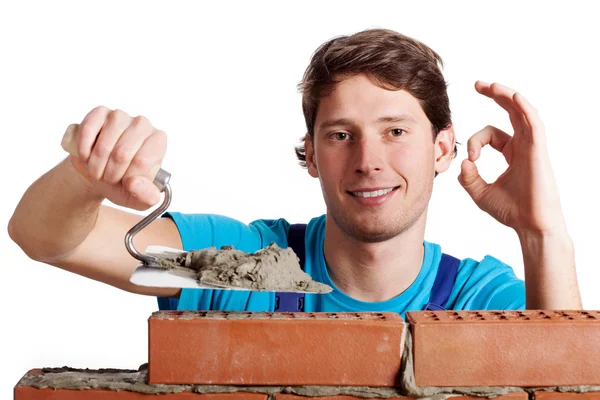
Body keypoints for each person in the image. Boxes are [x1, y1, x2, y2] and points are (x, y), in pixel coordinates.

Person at [8, 28, 582, 317]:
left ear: (442, 149)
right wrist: (85, 176)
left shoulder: (474, 298)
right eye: (340, 135)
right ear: (309, 154)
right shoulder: (246, 268)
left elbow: (568, 388)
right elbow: (45, 238)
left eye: (396, 131)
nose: (368, 160)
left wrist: (542, 233)